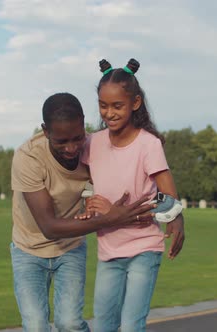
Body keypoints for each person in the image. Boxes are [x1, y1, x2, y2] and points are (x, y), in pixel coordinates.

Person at [10, 92, 155, 332]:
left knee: (70, 324)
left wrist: (91, 196)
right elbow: (49, 227)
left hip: (70, 249)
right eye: (61, 141)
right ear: (46, 131)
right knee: (35, 326)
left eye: (77, 138)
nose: (72, 148)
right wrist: (109, 219)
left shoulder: (92, 147)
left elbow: (117, 177)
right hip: (28, 250)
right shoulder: (28, 157)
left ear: (83, 122)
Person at [81, 58, 185, 332]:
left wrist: (177, 218)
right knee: (103, 325)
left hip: (144, 248)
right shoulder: (93, 142)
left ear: (135, 103)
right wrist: (89, 200)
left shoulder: (148, 144)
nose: (109, 113)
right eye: (103, 105)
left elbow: (167, 189)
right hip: (108, 250)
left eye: (117, 106)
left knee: (130, 326)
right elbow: (83, 180)